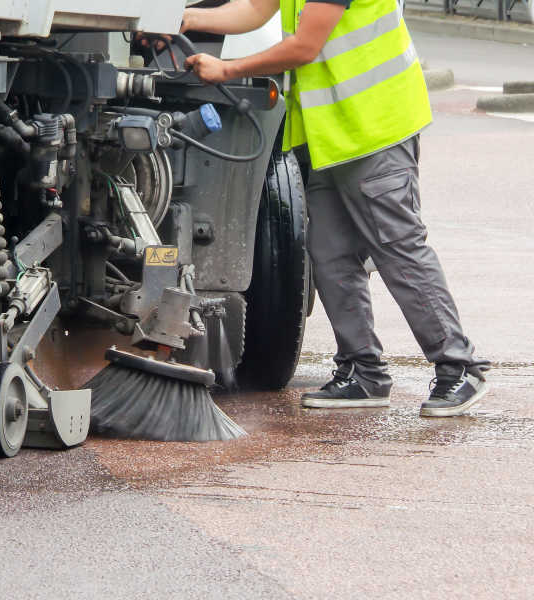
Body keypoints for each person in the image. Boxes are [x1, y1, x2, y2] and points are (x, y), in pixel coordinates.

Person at [180, 0, 489, 417]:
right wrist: (185, 18)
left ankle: (459, 367)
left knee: (398, 248)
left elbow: (304, 47)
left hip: (375, 128)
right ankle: (364, 373)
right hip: (334, 135)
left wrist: (227, 69)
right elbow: (254, 8)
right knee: (329, 255)